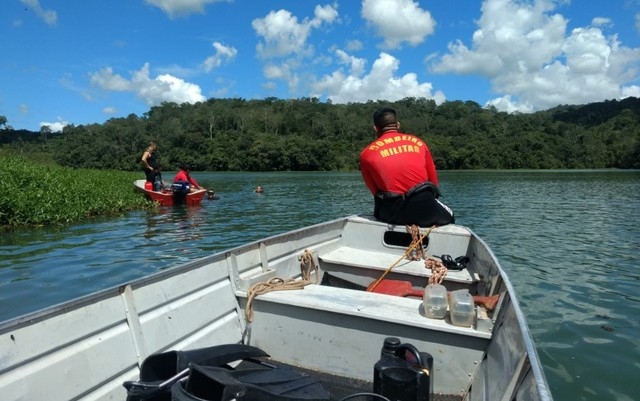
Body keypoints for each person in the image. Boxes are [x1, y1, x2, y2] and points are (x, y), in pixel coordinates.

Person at [359, 108, 455, 227]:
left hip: (393, 215)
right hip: (427, 211)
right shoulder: (419, 143)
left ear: (375, 128)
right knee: (450, 214)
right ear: (398, 125)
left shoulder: (366, 154)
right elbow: (434, 183)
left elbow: (375, 192)